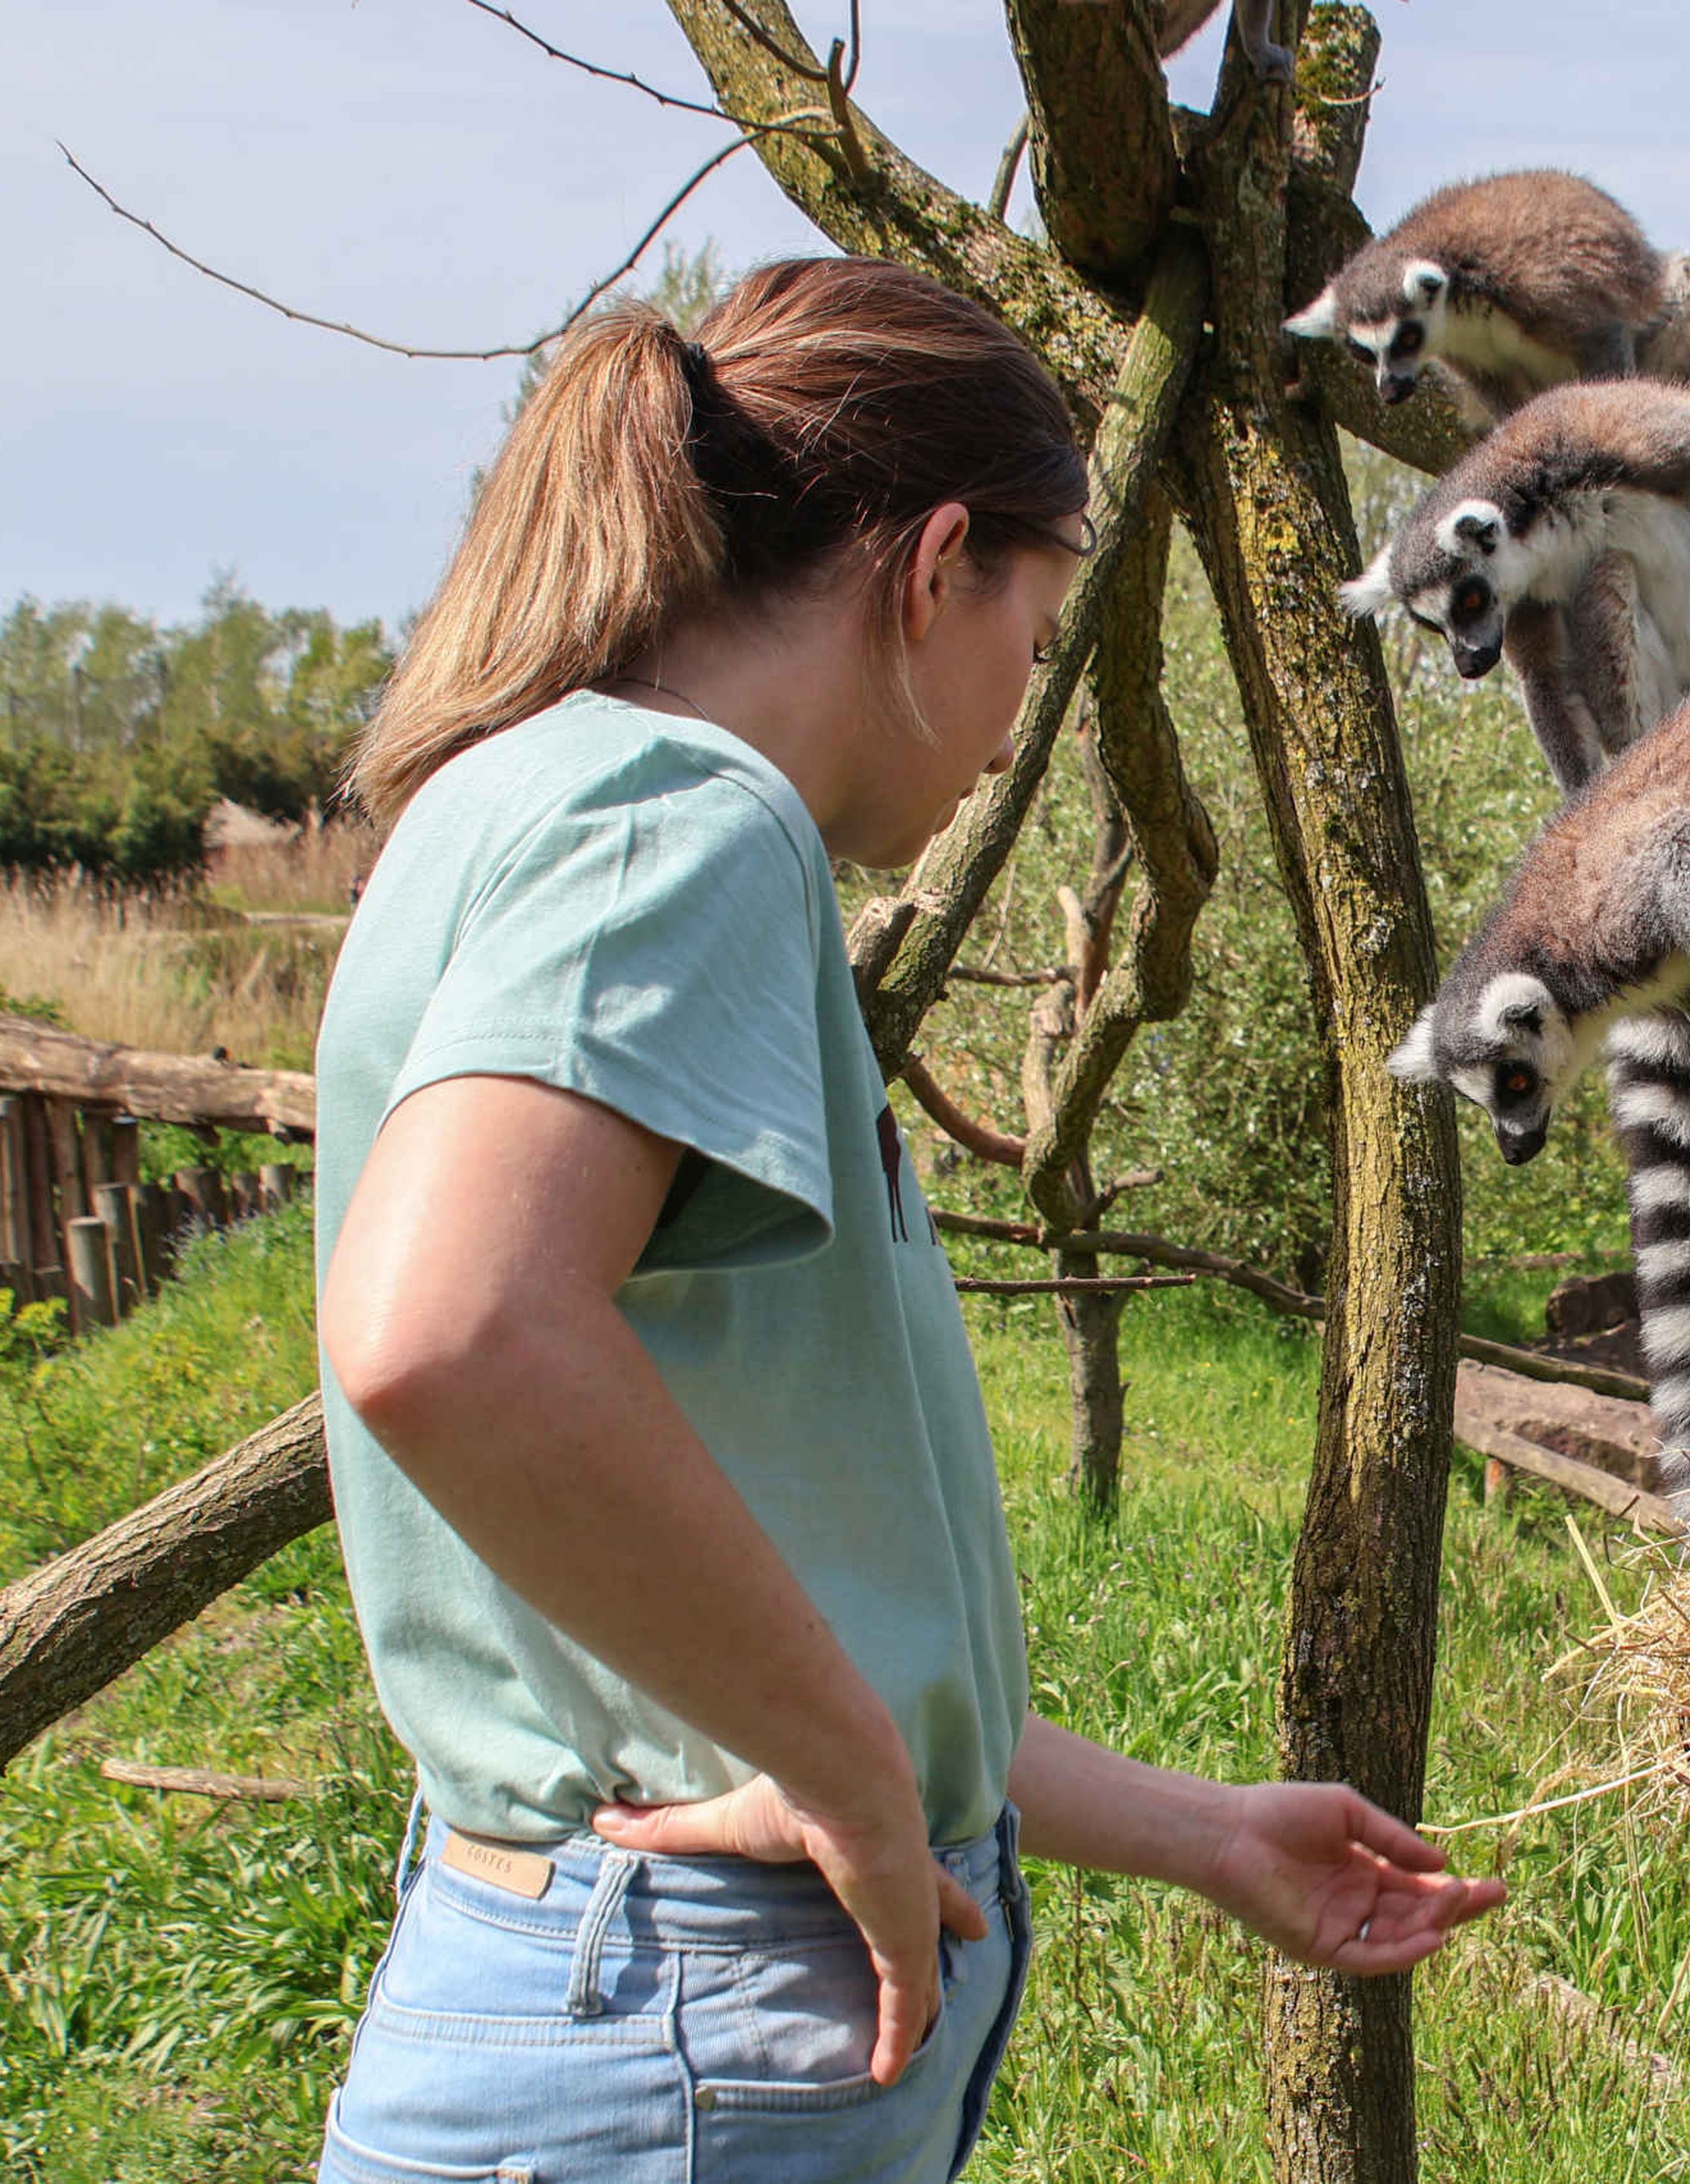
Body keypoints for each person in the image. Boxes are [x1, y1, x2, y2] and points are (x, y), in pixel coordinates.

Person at [310, 255, 1503, 2184]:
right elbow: (450, 1326)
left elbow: (757, 1615)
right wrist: (869, 1797)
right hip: (688, 2036)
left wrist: (1198, 1831)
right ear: (935, 564)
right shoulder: (682, 815)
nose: (1007, 739)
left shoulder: (515, 791)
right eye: (1032, 648)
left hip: (645, 2005)